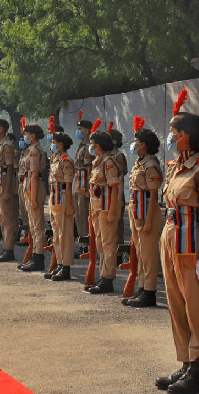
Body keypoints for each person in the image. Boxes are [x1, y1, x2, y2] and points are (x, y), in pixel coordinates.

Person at [155, 90, 199, 393]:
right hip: (171, 238)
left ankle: (198, 368)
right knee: (176, 304)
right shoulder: (174, 166)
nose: (171, 137)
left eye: (175, 132)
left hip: (192, 245)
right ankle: (184, 362)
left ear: (188, 136)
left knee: (195, 306)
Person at [123, 116, 163, 307]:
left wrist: (148, 221)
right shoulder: (139, 163)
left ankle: (150, 291)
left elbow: (153, 195)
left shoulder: (151, 164)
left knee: (148, 254)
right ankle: (142, 287)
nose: (134, 144)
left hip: (147, 211)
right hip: (137, 211)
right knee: (139, 252)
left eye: (137, 142)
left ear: (144, 144)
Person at [85, 119, 120, 293]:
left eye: (92, 145)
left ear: (98, 146)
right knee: (99, 242)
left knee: (107, 243)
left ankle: (108, 278)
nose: (91, 147)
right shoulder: (98, 161)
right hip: (97, 208)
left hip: (106, 208)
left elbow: (114, 187)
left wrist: (113, 211)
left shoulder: (108, 162)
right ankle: (102, 275)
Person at [45, 119, 75, 280]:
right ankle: (60, 263)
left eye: (55, 142)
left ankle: (66, 266)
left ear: (61, 144)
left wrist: (69, 205)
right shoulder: (56, 159)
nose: (53, 145)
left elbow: (68, 185)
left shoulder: (66, 161)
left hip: (63, 196)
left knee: (65, 234)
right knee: (56, 233)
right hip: (54, 196)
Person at [18, 122, 47, 271]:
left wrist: (34, 198)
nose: (25, 137)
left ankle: (38, 257)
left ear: (33, 135)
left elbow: (35, 175)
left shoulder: (35, 150)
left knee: (37, 225)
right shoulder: (30, 150)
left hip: (33, 187)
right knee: (33, 225)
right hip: (29, 185)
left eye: (27, 134)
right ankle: (35, 254)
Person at [0, 110, 19, 262]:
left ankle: (9, 249)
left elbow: (9, 169)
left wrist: (7, 190)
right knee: (1, 217)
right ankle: (5, 247)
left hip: (3, 185)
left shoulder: (7, 145)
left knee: (7, 218)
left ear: (2, 129)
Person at [74, 111, 95, 241]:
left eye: (80, 129)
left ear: (87, 130)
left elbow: (89, 168)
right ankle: (82, 241)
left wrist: (88, 188)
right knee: (78, 213)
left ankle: (86, 243)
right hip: (78, 181)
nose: (78, 131)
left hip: (83, 183)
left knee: (83, 214)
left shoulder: (88, 147)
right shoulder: (81, 145)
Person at [107, 123, 128, 246]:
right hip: (107, 193)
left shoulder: (118, 156)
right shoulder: (105, 155)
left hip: (116, 192)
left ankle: (118, 250)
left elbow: (121, 177)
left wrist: (119, 197)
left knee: (117, 223)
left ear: (114, 141)